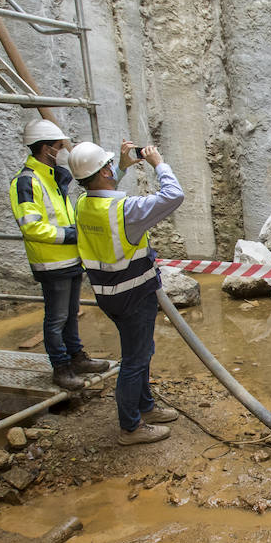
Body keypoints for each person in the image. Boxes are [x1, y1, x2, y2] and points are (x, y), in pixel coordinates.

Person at [66, 139, 184, 445]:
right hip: (135, 294)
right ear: (103, 172)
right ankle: (130, 427)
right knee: (134, 359)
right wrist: (159, 163)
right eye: (108, 167)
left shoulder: (84, 204)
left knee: (141, 352)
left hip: (109, 294)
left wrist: (119, 166)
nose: (111, 170)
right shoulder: (125, 211)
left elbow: (102, 188)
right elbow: (174, 195)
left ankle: (145, 407)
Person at [9, 118, 111, 390]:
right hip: (51, 262)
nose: (61, 151)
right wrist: (70, 234)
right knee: (56, 318)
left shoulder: (53, 179)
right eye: (57, 146)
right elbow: (31, 227)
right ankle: (61, 367)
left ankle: (76, 357)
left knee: (70, 312)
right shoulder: (27, 182)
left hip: (70, 260)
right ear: (45, 149)